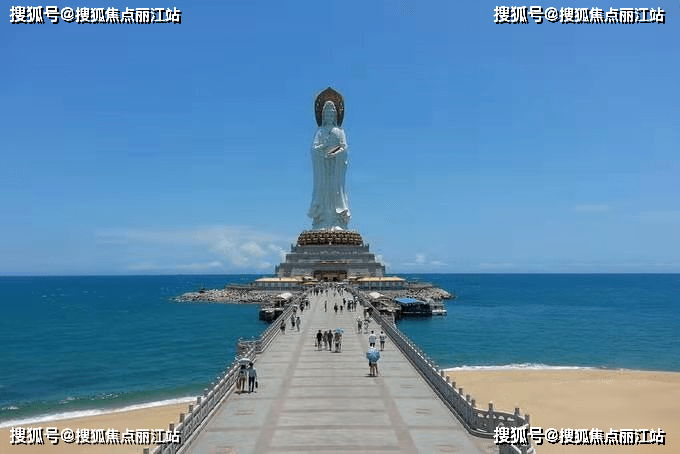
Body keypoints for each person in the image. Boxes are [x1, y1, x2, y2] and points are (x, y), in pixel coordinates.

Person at [308, 99, 350, 229]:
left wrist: (335, 153)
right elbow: (314, 149)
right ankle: (322, 221)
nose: (329, 117)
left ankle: (337, 221)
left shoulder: (340, 132)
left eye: (332, 114)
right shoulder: (320, 132)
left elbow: (344, 148)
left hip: (336, 168)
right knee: (323, 192)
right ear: (323, 116)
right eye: (327, 114)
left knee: (336, 192)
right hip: (323, 169)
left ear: (336, 116)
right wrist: (323, 148)